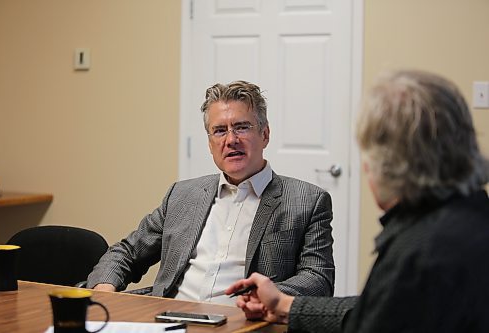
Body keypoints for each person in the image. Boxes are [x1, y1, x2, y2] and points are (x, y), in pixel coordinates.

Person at [226, 70, 489, 331]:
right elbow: (375, 307)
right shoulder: (472, 213)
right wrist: (285, 305)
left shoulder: (420, 254)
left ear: (390, 164)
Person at [87, 80, 335, 305]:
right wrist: (104, 287)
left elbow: (318, 278)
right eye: (219, 130)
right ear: (210, 143)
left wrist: (268, 296)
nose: (231, 140)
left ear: (265, 134)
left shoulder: (307, 201)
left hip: (243, 323)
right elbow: (128, 251)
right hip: (168, 319)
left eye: (241, 127)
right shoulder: (182, 195)